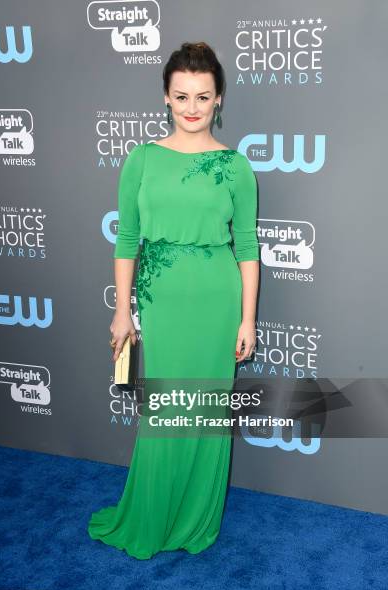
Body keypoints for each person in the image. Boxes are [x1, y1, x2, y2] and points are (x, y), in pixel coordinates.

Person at [87, 41, 260, 560]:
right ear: (165, 96)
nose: (191, 107)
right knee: (163, 412)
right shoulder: (141, 159)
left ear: (219, 100)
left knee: (205, 412)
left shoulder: (235, 167)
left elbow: (247, 247)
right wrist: (122, 309)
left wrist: (247, 318)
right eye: (181, 95)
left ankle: (196, 520)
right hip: (160, 296)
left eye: (202, 97)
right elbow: (126, 240)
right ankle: (155, 513)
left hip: (216, 296)